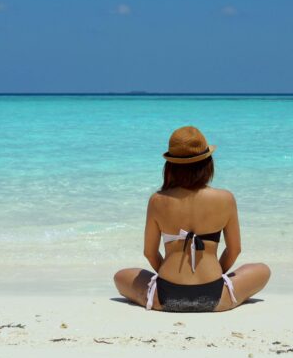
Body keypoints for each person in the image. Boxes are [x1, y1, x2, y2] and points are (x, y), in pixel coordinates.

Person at [113, 126, 271, 312]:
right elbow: (234, 250)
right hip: (214, 294)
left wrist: (172, 277)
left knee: (120, 276)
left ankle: (161, 294)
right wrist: (215, 275)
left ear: (170, 166)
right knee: (262, 270)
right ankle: (218, 290)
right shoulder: (225, 199)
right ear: (207, 164)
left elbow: (150, 253)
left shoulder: (158, 200)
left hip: (166, 295)